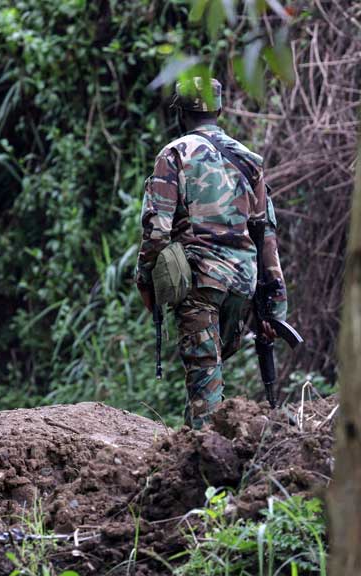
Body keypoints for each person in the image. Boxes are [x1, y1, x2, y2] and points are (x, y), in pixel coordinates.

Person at [135, 77, 288, 429]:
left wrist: (146, 281)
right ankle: (204, 441)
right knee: (210, 373)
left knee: (205, 382)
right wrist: (276, 307)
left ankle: (208, 451)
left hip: (201, 283)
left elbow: (157, 232)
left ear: (180, 113)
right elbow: (266, 237)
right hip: (242, 285)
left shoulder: (174, 155)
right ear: (219, 110)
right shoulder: (250, 160)